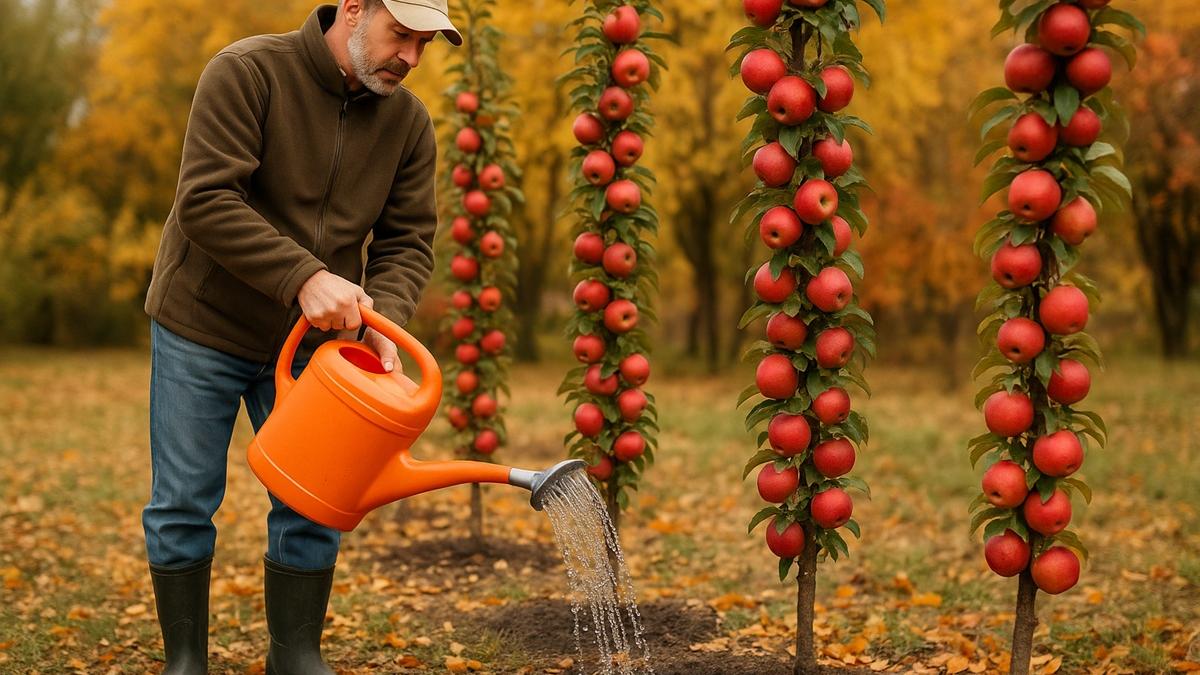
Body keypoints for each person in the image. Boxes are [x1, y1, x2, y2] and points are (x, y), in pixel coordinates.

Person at [140, 1, 460, 672]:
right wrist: (302, 276)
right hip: (205, 322)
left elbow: (406, 241)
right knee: (183, 502)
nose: (412, 57)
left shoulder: (409, 123)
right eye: (400, 34)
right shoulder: (247, 73)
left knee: (312, 503)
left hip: (319, 348)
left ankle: (296, 655)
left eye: (425, 43)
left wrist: (384, 319)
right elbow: (204, 200)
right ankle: (184, 658)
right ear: (350, 11)